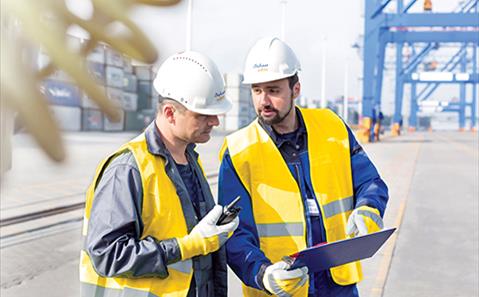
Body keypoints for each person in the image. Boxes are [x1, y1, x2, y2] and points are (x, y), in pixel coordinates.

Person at [218, 37, 389, 297]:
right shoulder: (239, 150)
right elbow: (234, 232)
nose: (263, 100)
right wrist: (262, 273)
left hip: (337, 283)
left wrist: (368, 208)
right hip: (281, 286)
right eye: (257, 90)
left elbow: (370, 181)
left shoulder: (331, 126)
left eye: (273, 90)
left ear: (295, 89)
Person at [80, 51, 239, 297]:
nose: (215, 122)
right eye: (203, 114)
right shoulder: (127, 169)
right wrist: (185, 246)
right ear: (169, 113)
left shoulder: (190, 160)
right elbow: (107, 255)